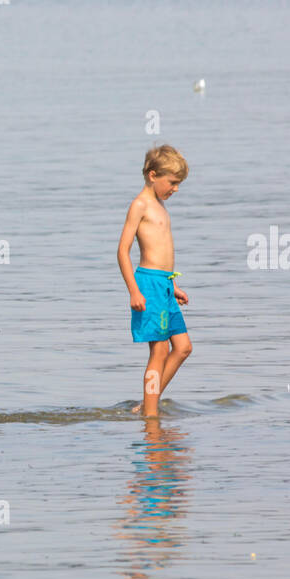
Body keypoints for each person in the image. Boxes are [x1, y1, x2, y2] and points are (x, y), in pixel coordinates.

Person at [116, 145, 192, 418]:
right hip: (147, 285)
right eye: (172, 182)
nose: (176, 189)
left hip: (165, 284)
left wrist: (173, 286)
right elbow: (122, 251)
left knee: (183, 348)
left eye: (178, 184)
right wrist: (134, 291)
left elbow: (161, 252)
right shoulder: (140, 205)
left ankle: (149, 402)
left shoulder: (159, 206)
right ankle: (150, 415)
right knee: (159, 351)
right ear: (152, 175)